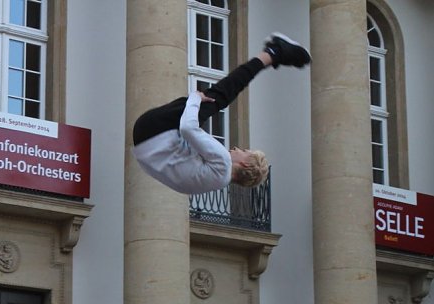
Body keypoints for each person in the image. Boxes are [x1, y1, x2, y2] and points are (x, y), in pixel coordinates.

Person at [132, 33, 312, 195]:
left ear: (245, 164)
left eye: (243, 151)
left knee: (220, 96)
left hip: (155, 130)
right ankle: (274, 53)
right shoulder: (214, 182)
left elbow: (188, 128)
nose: (236, 149)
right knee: (212, 103)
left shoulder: (223, 162)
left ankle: (274, 52)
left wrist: (195, 98)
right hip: (144, 144)